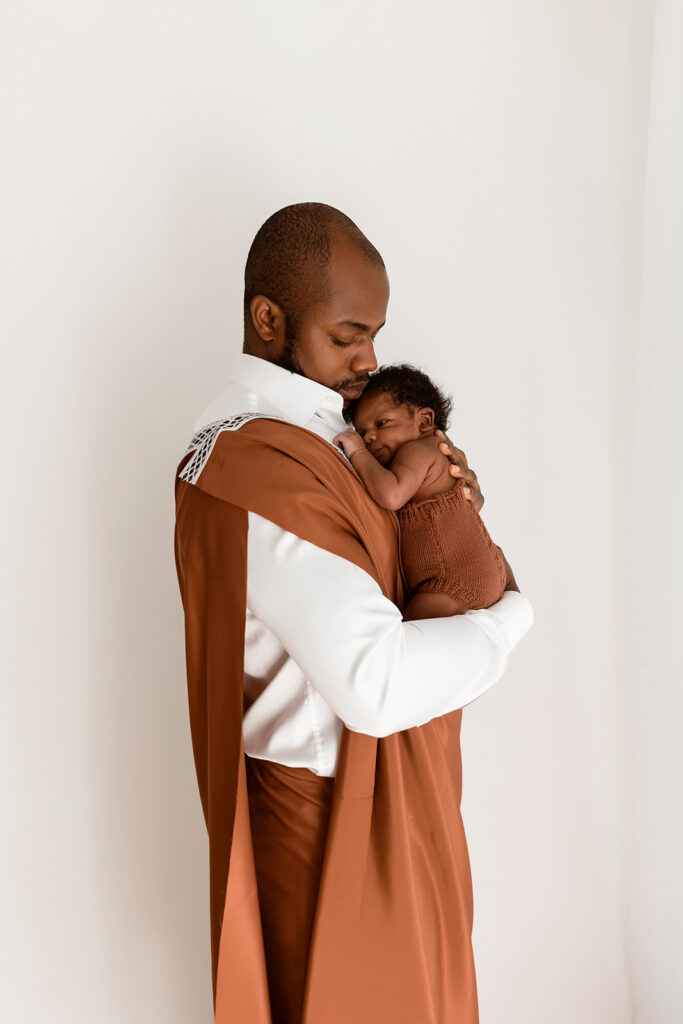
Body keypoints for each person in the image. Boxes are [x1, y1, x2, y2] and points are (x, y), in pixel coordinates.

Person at [174, 202, 534, 1024]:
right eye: (345, 336)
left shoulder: (328, 433)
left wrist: (442, 512)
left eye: (374, 334)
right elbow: (374, 683)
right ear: (269, 319)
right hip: (328, 828)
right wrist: (509, 620)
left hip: (385, 806)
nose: (369, 360)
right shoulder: (260, 461)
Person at [333, 362, 509, 620]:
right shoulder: (432, 455)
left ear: (425, 420)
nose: (369, 438)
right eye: (363, 432)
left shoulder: (417, 450)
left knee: (404, 641)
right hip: (486, 566)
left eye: (381, 423)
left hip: (452, 582)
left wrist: (357, 450)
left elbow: (391, 495)